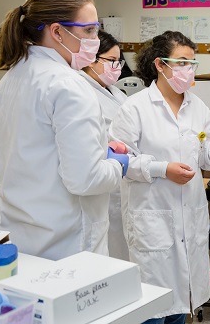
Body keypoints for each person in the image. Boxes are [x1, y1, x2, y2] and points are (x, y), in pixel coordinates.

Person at [0, 0, 128, 261]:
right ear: (57, 31)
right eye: (88, 30)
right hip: (65, 243)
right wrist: (117, 164)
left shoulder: (11, 80)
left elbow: (36, 151)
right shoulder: (68, 84)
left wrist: (98, 148)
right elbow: (86, 180)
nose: (95, 39)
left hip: (16, 234)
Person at [109, 31, 210, 324]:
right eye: (181, 62)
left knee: (179, 306)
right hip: (152, 217)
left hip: (188, 217)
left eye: (192, 63)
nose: (188, 70)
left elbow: (204, 159)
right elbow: (122, 160)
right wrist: (162, 169)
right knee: (151, 310)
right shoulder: (134, 108)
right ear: (160, 65)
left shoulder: (198, 108)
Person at [79, 30, 129, 261]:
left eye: (119, 61)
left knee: (121, 243)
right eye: (111, 61)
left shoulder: (116, 92)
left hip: (122, 174)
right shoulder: (81, 90)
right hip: (102, 174)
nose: (117, 67)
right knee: (106, 246)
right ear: (91, 60)